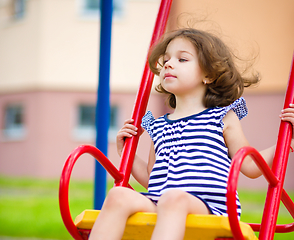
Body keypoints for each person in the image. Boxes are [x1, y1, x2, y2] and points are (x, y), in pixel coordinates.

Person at [89, 28, 294, 240]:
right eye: (166, 59)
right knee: (118, 195)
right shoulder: (159, 126)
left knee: (173, 198)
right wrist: (126, 154)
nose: (168, 64)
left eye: (182, 59)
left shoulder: (222, 117)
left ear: (209, 75)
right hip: (163, 202)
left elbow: (251, 167)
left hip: (211, 208)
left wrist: (288, 141)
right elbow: (153, 180)